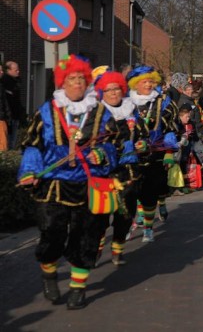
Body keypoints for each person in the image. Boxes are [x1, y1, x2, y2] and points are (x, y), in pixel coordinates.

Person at [16, 55, 121, 310]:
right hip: (53, 184)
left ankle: (78, 287)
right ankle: (49, 273)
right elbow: (32, 146)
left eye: (81, 79)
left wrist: (102, 154)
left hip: (88, 184)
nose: (76, 83)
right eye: (71, 79)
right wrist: (29, 171)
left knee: (87, 236)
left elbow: (116, 144)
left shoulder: (100, 112)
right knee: (51, 234)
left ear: (87, 83)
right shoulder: (47, 111)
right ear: (63, 83)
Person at [93, 69, 148, 265]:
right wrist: (99, 152)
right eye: (109, 90)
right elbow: (85, 141)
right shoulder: (95, 114)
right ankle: (98, 244)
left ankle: (117, 248)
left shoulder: (130, 110)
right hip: (103, 172)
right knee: (100, 213)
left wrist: (142, 144)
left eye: (117, 89)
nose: (114, 93)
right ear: (102, 93)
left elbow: (143, 135)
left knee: (125, 211)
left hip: (128, 171)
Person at [126, 65, 179, 242]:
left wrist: (170, 151)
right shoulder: (126, 102)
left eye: (151, 81)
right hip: (131, 155)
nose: (148, 85)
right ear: (135, 84)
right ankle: (128, 224)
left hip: (155, 152)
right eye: (144, 81)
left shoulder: (163, 101)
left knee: (151, 190)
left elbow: (171, 128)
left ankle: (148, 227)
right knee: (131, 191)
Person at [2, 61, 26, 149]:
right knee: (9, 140)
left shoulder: (15, 81)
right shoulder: (5, 82)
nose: (18, 71)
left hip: (15, 115)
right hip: (9, 116)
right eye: (16, 70)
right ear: (8, 70)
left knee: (12, 140)